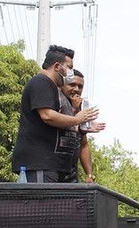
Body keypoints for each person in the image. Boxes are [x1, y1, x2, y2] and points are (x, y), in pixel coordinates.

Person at [11, 45, 98, 182]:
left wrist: (81, 125)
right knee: (42, 203)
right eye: (69, 67)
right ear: (57, 66)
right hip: (39, 163)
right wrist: (77, 119)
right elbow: (47, 116)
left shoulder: (51, 87)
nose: (70, 72)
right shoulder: (41, 82)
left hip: (54, 166)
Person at [59, 69, 105, 183]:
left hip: (71, 174)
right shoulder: (57, 102)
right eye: (72, 85)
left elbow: (83, 145)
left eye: (80, 86)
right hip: (54, 171)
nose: (76, 90)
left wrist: (89, 174)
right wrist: (75, 112)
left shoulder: (81, 110)